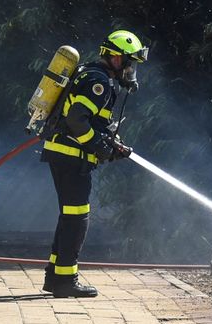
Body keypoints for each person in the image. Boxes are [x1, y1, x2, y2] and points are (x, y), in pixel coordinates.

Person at [39, 29, 148, 297]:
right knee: (77, 218)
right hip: (70, 156)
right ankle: (66, 280)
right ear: (116, 58)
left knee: (70, 215)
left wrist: (110, 143)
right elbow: (77, 119)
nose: (130, 70)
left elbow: (90, 121)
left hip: (63, 152)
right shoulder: (99, 82)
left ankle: (55, 277)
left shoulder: (90, 74)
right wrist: (98, 146)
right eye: (129, 63)